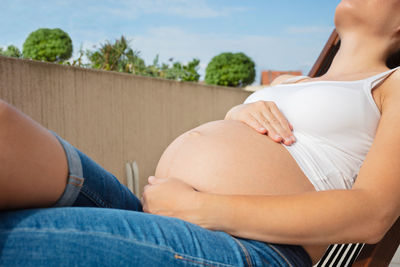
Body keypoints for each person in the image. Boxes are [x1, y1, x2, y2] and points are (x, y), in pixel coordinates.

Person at [1, 0, 400, 266]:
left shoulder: (392, 83)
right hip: (163, 213)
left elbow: (373, 213)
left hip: (256, 247)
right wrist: (238, 114)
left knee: (19, 239)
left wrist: (199, 209)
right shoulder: (291, 82)